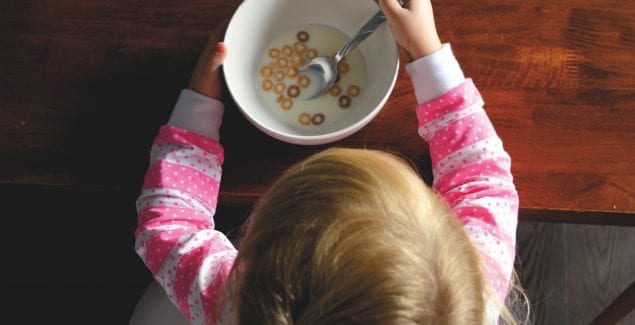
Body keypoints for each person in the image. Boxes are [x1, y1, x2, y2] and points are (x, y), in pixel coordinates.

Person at [134, 0, 528, 323]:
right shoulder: (474, 290)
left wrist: (199, 103)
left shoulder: (232, 301)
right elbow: (481, 178)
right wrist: (427, 52)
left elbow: (169, 226)